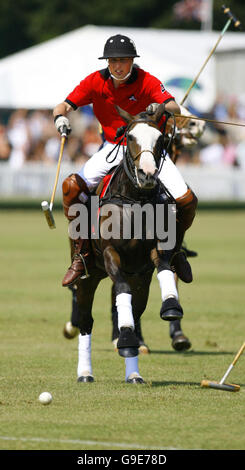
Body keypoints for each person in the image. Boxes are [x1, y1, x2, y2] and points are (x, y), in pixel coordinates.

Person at [53, 34, 198, 287]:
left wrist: (160, 108)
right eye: (113, 61)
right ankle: (81, 255)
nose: (117, 66)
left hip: (148, 149)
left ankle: (174, 252)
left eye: (123, 60)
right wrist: (60, 119)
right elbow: (63, 105)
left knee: (186, 199)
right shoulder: (95, 81)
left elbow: (173, 106)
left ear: (132, 61)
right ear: (107, 62)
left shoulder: (146, 80)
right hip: (113, 147)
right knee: (71, 188)